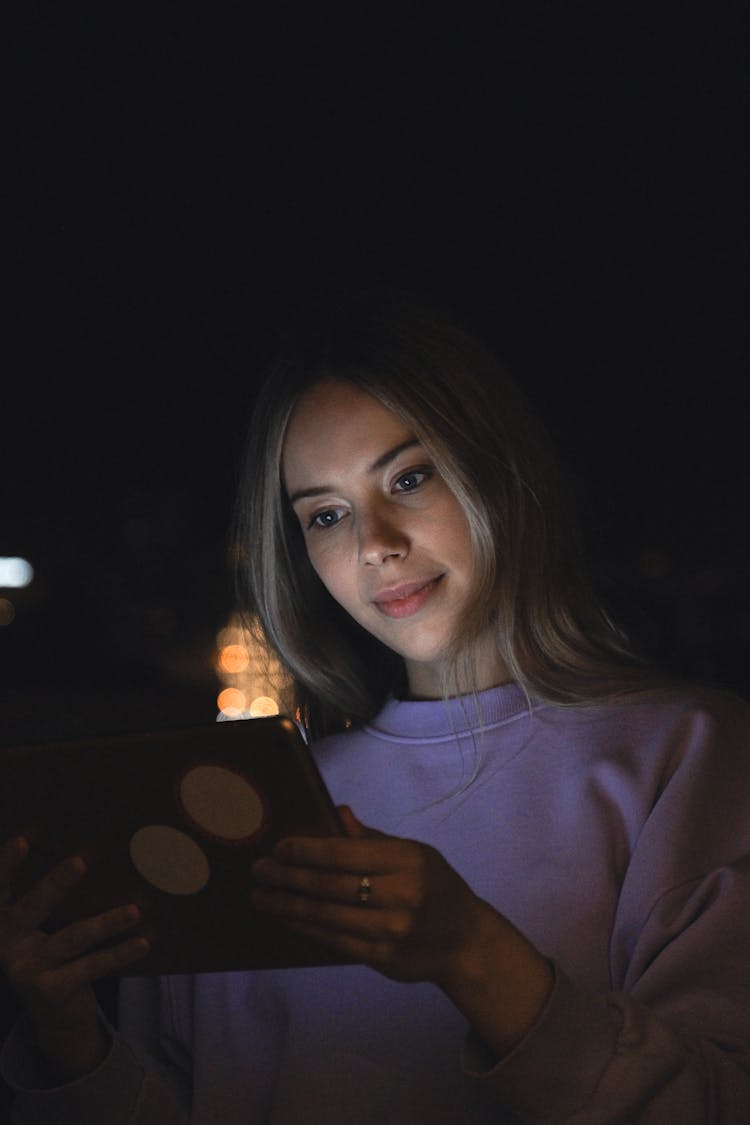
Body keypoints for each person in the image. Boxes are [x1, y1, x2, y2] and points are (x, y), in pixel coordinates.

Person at [1, 287, 749, 1123]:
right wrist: (69, 1035)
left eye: (410, 476)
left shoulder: (690, 757)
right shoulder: (262, 802)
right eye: (325, 513)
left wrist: (471, 950)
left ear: (502, 468)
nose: (375, 543)